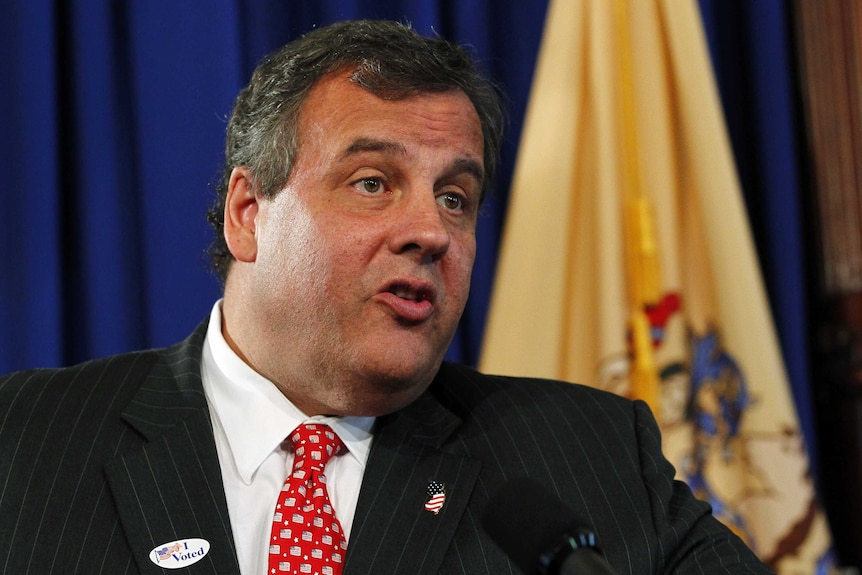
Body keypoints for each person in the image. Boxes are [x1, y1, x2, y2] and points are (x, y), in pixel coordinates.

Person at [0, 19, 771, 575]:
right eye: (373, 182)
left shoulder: (588, 460)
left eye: (456, 197)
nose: (429, 231)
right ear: (248, 213)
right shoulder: (25, 444)